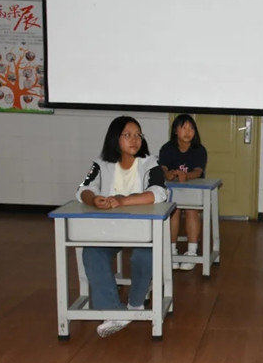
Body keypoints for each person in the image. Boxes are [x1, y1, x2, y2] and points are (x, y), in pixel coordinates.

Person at [76, 116, 168, 337]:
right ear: (115, 138)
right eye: (127, 135)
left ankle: (135, 305)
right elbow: (83, 188)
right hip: (109, 230)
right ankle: (114, 312)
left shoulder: (150, 163)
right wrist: (93, 199)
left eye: (138, 135)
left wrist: (123, 200)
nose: (134, 140)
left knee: (144, 255)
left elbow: (159, 192)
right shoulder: (100, 164)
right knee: (92, 252)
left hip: (142, 230)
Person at [158, 114, 208, 271]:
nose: (188, 132)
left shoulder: (199, 150)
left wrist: (186, 176)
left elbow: (198, 171)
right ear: (175, 130)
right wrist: (168, 174)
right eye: (184, 128)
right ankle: (171, 251)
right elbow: (163, 168)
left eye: (191, 128)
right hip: (173, 190)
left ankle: (192, 251)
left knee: (191, 210)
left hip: (193, 189)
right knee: (174, 211)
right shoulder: (167, 148)